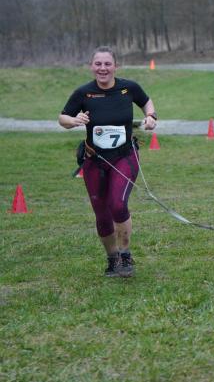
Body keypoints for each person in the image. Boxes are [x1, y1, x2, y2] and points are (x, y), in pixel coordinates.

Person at [58, 46, 157, 278]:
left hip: (124, 156)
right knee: (101, 214)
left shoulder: (128, 88)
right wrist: (73, 120)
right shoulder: (83, 93)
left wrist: (151, 117)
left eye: (107, 64)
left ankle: (125, 255)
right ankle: (112, 259)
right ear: (91, 66)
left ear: (115, 66)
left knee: (118, 205)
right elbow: (62, 118)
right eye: (98, 64)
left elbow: (147, 102)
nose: (103, 68)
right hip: (94, 160)